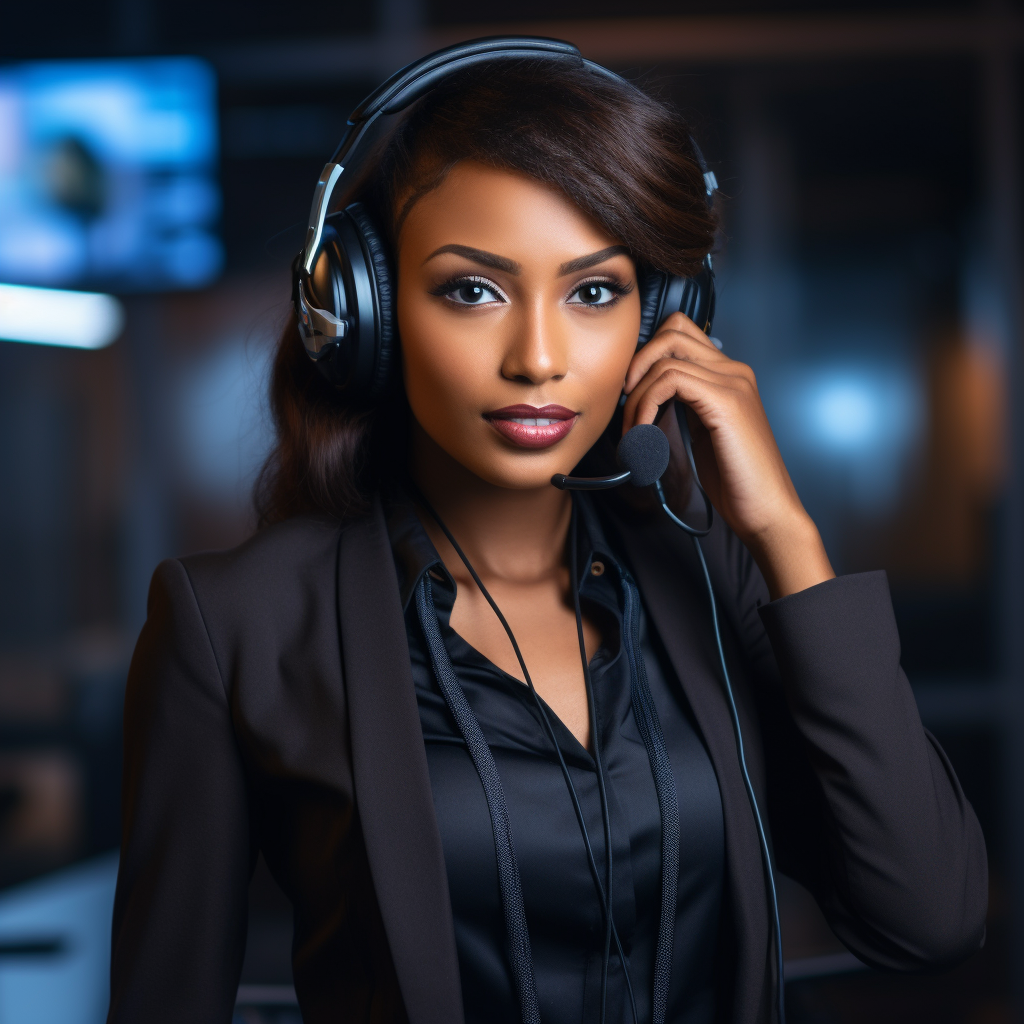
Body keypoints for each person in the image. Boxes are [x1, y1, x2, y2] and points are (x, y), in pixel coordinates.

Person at [107, 41, 988, 1024]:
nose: (537, 357)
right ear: (363, 311)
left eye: (593, 291)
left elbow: (930, 918)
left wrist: (784, 534)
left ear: (663, 318)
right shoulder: (235, 624)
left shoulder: (711, 580)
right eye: (472, 290)